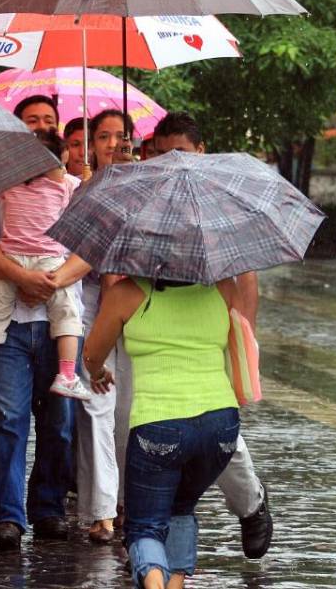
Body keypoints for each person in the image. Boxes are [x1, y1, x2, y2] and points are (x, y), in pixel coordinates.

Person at [136, 112, 274, 558]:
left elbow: (244, 274)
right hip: (160, 326)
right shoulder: (146, 194)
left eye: (180, 152)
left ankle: (250, 504)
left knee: (222, 434)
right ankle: (147, 518)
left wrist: (239, 338)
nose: (171, 162)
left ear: (201, 149)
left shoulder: (223, 196)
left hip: (211, 324)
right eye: (162, 153)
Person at [0, 95, 91, 550]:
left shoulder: (76, 187)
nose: (39, 127)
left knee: (59, 423)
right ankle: (8, 517)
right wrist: (22, 278)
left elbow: (89, 250)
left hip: (61, 330)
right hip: (10, 327)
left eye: (47, 122)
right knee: (7, 420)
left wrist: (53, 281)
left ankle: (50, 508)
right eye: (31, 122)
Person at [85, 273, 246, 589]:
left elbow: (92, 354)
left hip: (160, 425)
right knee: (181, 508)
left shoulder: (126, 293)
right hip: (221, 426)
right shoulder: (225, 287)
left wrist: (98, 372)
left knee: (144, 526)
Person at [0, 129, 90, 401]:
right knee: (67, 316)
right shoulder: (67, 187)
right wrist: (85, 182)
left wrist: (23, 278)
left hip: (11, 258)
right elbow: (89, 237)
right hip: (50, 261)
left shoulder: (6, 185)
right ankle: (67, 375)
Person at [74, 108, 136, 544]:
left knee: (128, 414)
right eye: (103, 137)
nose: (112, 144)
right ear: (91, 144)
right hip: (92, 307)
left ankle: (130, 501)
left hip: (136, 311)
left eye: (120, 136)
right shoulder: (78, 193)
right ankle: (101, 512)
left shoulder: (146, 188)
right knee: (95, 407)